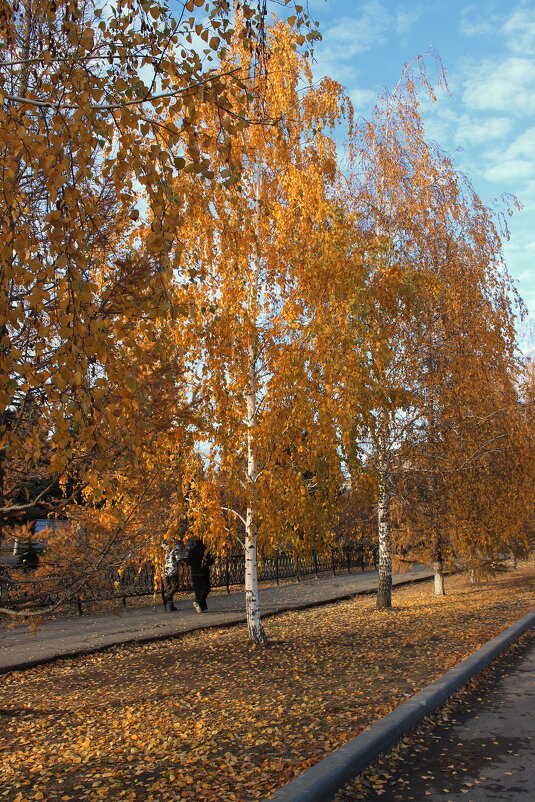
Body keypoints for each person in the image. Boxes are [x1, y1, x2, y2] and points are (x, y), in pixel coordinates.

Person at [186, 536, 214, 613]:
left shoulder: (192, 550)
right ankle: (198, 601)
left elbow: (188, 562)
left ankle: (201, 607)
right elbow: (211, 561)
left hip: (194, 572)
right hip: (203, 572)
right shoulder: (206, 550)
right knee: (206, 588)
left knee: (197, 590)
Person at [162, 541, 189, 611]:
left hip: (165, 570)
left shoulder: (163, 547)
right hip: (172, 570)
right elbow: (178, 558)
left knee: (168, 587)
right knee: (175, 586)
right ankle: (167, 598)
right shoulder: (175, 547)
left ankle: (171, 606)